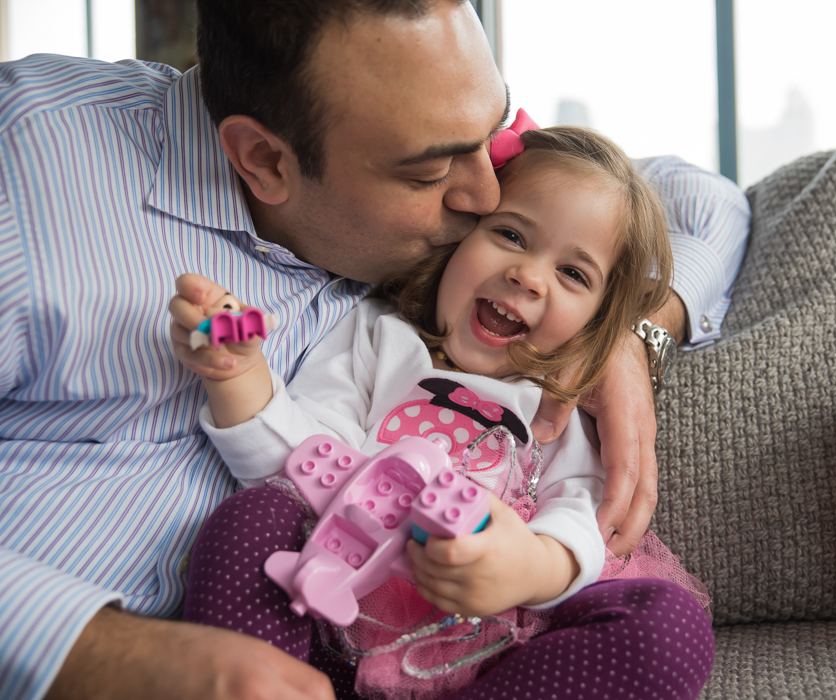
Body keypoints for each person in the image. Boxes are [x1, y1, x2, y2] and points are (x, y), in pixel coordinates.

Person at [0, 1, 749, 698]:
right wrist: (109, 654)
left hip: (488, 613)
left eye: (490, 137)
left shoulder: (433, 147)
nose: (488, 195)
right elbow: (288, 448)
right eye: (428, 171)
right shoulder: (28, 171)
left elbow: (703, 201)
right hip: (287, 609)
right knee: (252, 518)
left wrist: (623, 327)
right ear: (263, 159)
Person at [171, 124, 713, 700]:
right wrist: (240, 375)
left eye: (573, 274)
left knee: (669, 626)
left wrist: (527, 564)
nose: (527, 276)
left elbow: (580, 518)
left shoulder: (560, 405)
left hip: (496, 648)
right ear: (457, 237)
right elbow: (300, 465)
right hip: (336, 612)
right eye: (509, 234)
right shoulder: (378, 337)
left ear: (600, 321)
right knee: (250, 517)